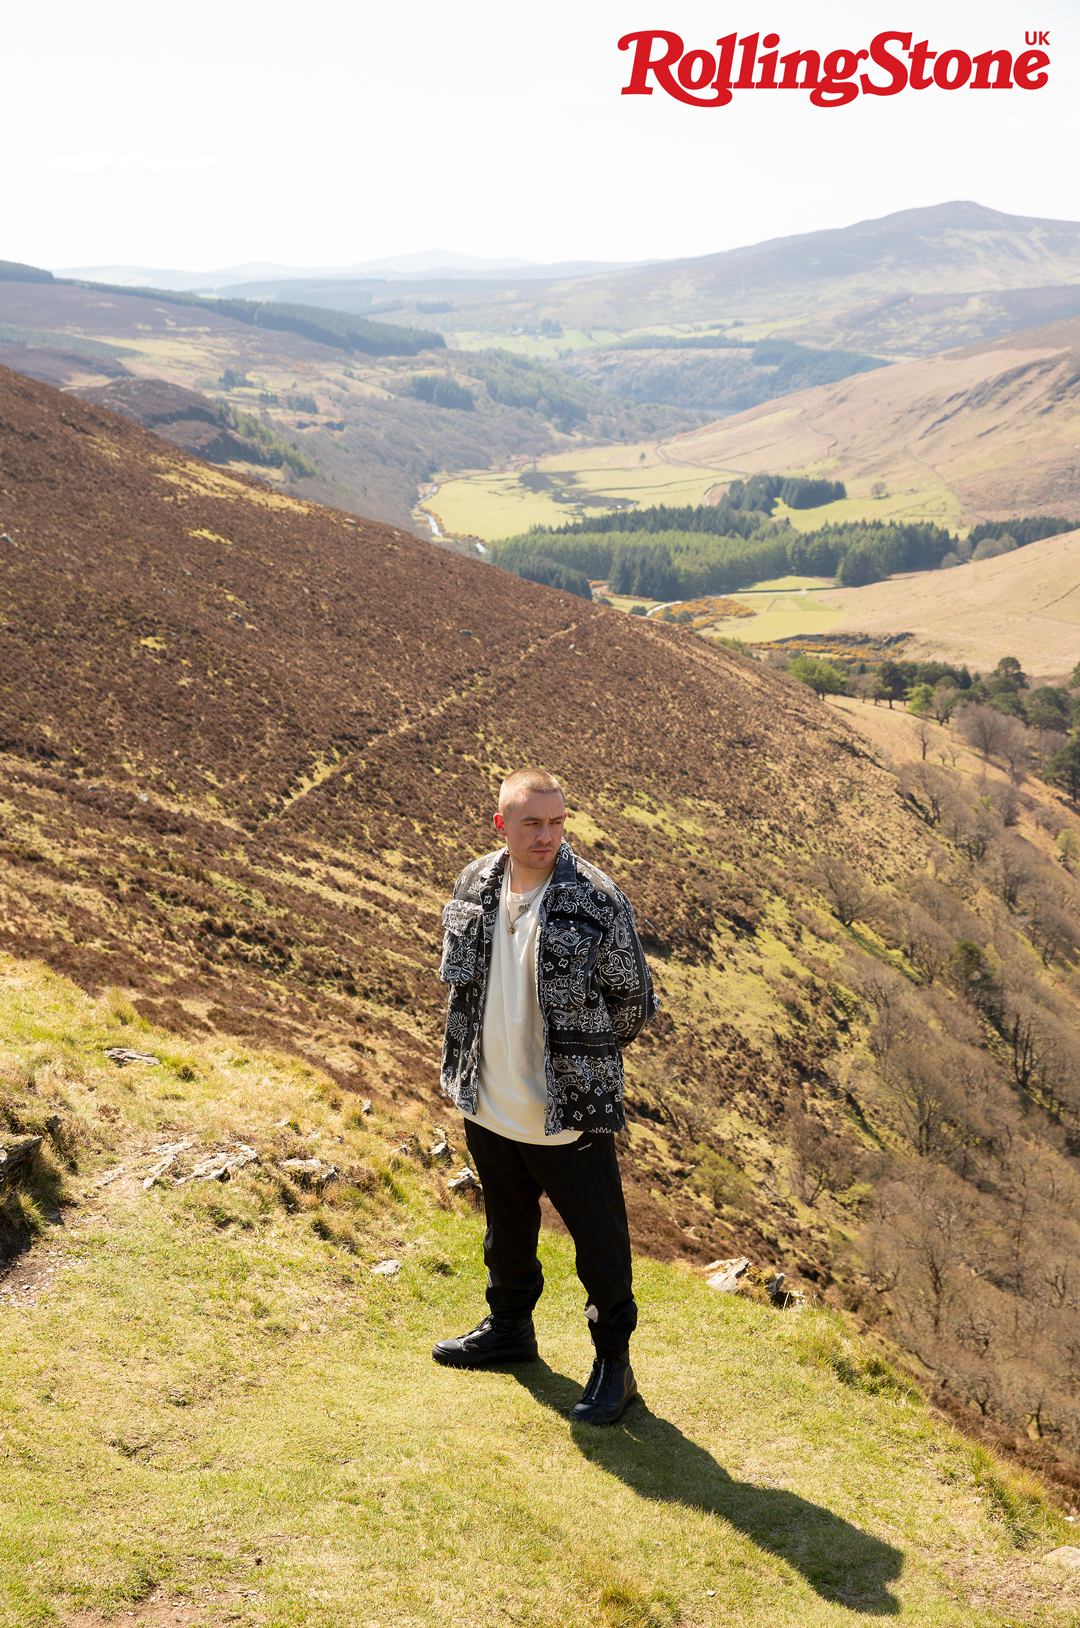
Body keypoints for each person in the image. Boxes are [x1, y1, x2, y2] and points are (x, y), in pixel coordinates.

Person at [433, 767, 659, 1426]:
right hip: (488, 1103)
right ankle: (509, 1331)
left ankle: (615, 1371)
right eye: (532, 822)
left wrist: (578, 1060)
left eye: (558, 821)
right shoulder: (474, 882)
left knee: (602, 1251)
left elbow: (633, 1003)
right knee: (507, 1233)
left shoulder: (595, 899)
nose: (547, 835)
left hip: (568, 1115)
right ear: (501, 825)